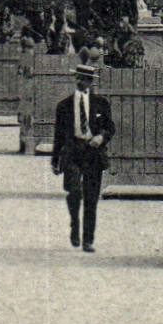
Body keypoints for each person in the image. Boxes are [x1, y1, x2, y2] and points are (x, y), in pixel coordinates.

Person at [52, 63, 116, 252]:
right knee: (74, 191)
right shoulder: (64, 105)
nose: (81, 81)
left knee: (91, 197)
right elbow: (58, 135)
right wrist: (55, 160)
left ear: (90, 82)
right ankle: (74, 225)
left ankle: (88, 239)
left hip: (93, 153)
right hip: (72, 152)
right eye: (78, 78)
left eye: (85, 79)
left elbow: (110, 127)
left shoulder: (101, 104)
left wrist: (101, 137)